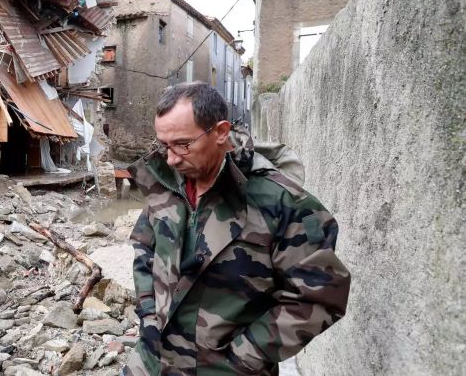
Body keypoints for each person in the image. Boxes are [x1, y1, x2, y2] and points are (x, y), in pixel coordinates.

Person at [123, 82, 350, 376]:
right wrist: (149, 319)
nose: (171, 158)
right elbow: (145, 251)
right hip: (152, 361)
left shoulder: (281, 202)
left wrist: (243, 357)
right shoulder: (167, 183)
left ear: (220, 132)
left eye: (182, 144)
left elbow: (320, 296)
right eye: (163, 145)